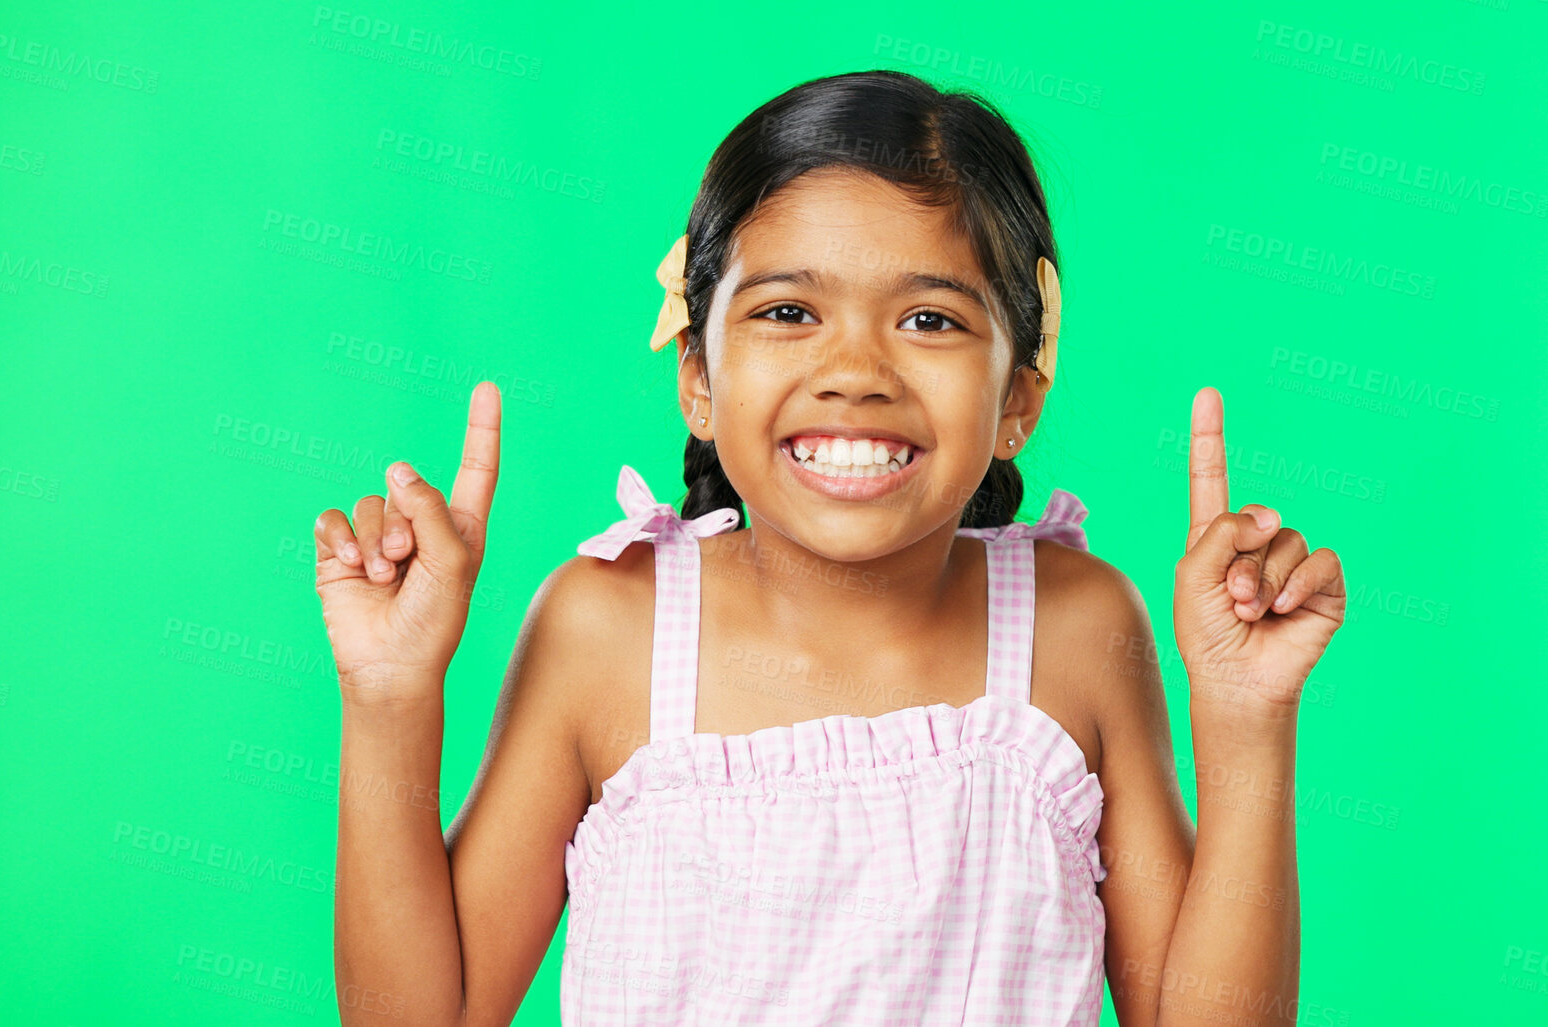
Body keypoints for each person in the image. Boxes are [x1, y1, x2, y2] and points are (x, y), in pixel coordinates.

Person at [315, 69, 1346, 1027]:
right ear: (699, 378)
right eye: (789, 311)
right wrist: (391, 692)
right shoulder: (605, 627)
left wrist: (1247, 718)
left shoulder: (1078, 626)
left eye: (931, 319)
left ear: (1020, 396)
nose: (855, 369)